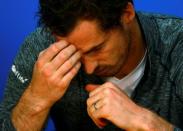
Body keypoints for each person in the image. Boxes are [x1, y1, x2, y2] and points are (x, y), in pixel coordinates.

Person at [0, 0, 183, 130]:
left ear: (126, 13)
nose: (88, 68)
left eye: (96, 49)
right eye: (73, 52)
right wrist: (36, 99)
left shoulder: (177, 46)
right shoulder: (44, 51)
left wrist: (148, 124)